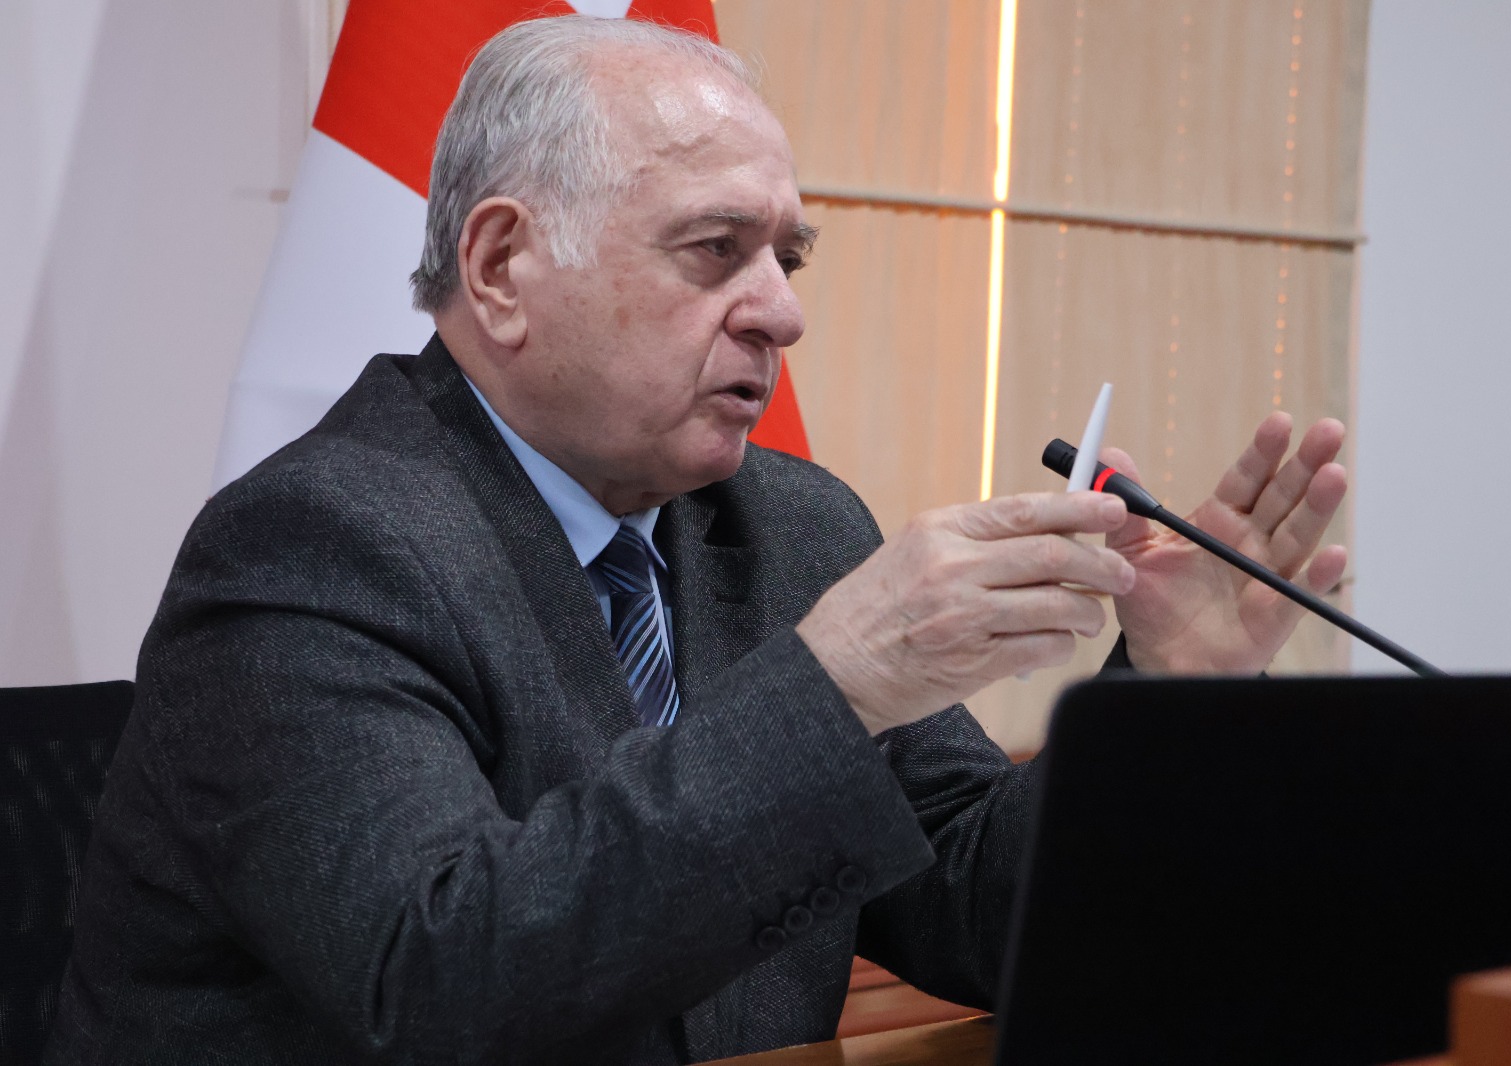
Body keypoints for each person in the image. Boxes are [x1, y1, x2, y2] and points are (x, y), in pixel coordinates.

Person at [49, 15, 1348, 1065]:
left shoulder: (792, 524)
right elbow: (447, 987)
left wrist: (1169, 694)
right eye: (715, 250)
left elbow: (980, 911)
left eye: (788, 257)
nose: (781, 312)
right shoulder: (311, 547)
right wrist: (837, 683)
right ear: (500, 267)